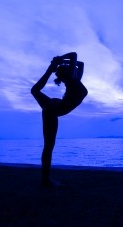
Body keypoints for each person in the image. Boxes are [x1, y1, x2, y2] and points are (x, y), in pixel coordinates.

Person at [31, 52, 88, 187]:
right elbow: (74, 55)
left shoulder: (74, 81)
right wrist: (59, 61)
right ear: (68, 72)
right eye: (70, 68)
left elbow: (80, 64)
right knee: (49, 146)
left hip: (54, 106)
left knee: (35, 91)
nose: (73, 68)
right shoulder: (72, 79)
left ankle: (46, 180)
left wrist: (58, 64)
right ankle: (46, 181)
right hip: (52, 110)